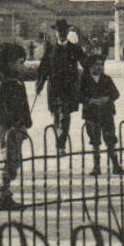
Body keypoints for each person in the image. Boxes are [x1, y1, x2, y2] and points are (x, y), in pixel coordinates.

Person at [35, 18, 85, 153]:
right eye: (59, 31)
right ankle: (60, 141)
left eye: (64, 31)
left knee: (65, 115)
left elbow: (86, 64)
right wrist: (39, 84)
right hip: (54, 88)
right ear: (55, 33)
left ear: (67, 32)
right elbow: (43, 68)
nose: (61, 34)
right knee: (56, 116)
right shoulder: (50, 49)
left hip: (69, 88)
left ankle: (61, 144)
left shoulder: (75, 49)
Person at [0, 43, 32, 209]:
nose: (23, 66)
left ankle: (6, 193)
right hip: (9, 128)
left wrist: (25, 122)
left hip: (14, 127)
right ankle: (4, 195)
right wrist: (16, 124)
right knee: (9, 160)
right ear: (10, 64)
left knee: (13, 160)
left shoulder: (16, 82)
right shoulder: (8, 84)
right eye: (20, 63)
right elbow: (4, 109)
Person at [80, 59, 124, 176]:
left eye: (101, 65)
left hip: (106, 114)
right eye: (96, 64)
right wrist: (91, 100)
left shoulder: (107, 79)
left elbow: (116, 93)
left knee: (110, 139)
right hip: (91, 115)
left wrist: (107, 98)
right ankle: (97, 167)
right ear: (90, 67)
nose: (99, 67)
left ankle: (115, 165)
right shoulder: (84, 80)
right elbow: (78, 95)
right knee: (95, 141)